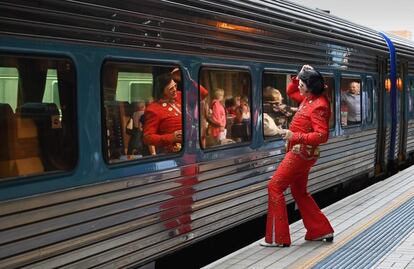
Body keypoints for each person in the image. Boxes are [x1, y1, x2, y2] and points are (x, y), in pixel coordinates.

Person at [261, 65, 334, 247]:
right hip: (300, 153)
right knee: (299, 192)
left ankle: (279, 238)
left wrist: (295, 136)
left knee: (274, 187)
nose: (298, 85)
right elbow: (290, 89)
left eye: (302, 82)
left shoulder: (319, 106)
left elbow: (322, 136)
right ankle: (320, 229)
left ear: (309, 86)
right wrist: (302, 73)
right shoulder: (309, 99)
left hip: (300, 153)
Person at [143, 73, 183, 154]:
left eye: (175, 86)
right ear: (162, 91)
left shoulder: (179, 96)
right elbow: (147, 138)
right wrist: (171, 137)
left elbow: (203, 93)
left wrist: (182, 77)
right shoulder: (154, 109)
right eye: (171, 88)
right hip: (173, 154)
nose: (175, 89)